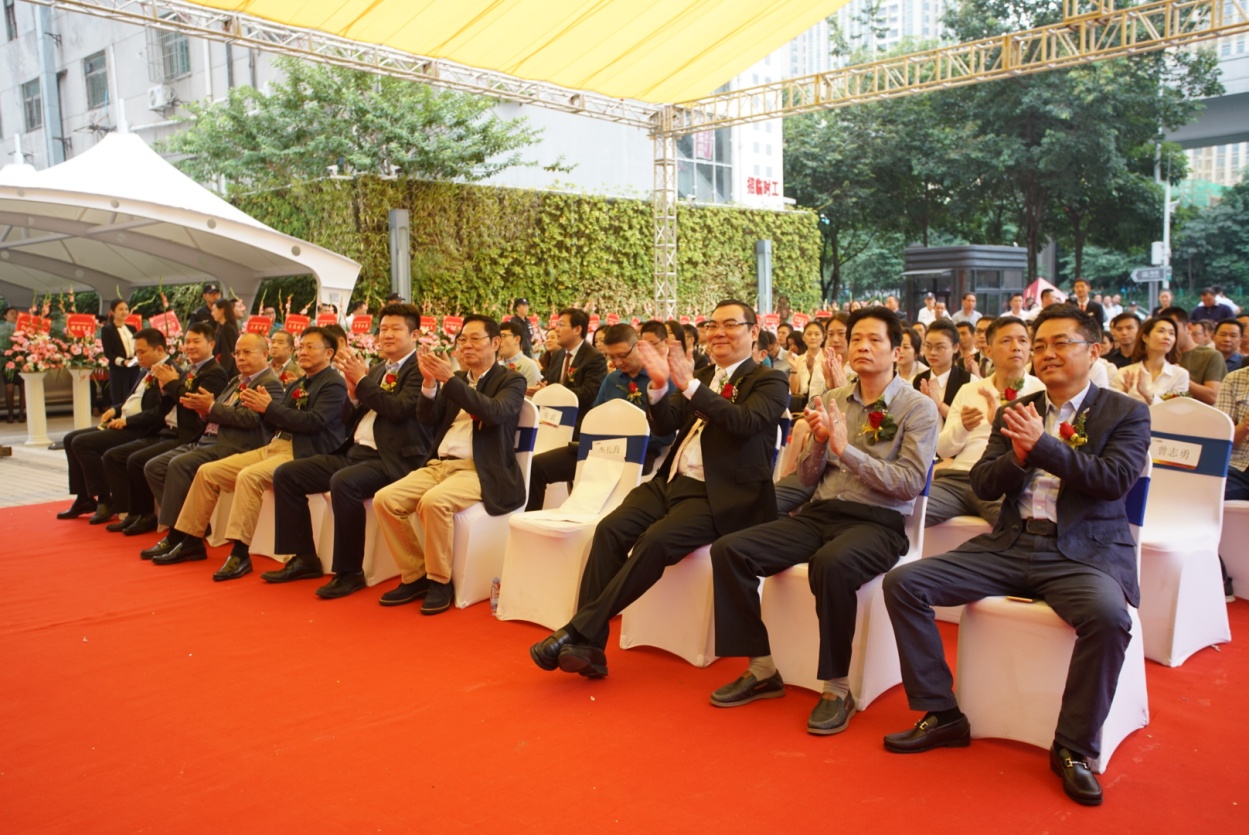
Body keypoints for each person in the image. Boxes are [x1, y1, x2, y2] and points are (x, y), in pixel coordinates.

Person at [882, 303, 1149, 807]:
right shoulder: (1015, 410)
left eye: (1061, 343)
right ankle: (942, 713)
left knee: (1109, 618)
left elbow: (1113, 481)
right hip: (1010, 542)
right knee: (905, 583)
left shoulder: (1125, 412)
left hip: (1082, 553)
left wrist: (1043, 447)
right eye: (1040, 344)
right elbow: (983, 483)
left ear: (1094, 350)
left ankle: (1073, 747)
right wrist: (1019, 457)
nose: (1047, 353)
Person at [707, 306, 938, 734]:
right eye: (856, 339)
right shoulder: (833, 399)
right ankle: (761, 666)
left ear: (896, 351)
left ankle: (836, 687)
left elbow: (908, 483)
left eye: (874, 340)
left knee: (832, 563)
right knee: (730, 550)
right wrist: (817, 445)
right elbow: (809, 478)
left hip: (878, 523)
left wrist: (847, 451)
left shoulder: (918, 408)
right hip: (821, 512)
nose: (862, 347)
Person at [529, 300, 789, 679]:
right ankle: (589, 646)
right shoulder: (702, 374)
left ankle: (576, 631)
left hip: (718, 494)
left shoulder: (770, 380)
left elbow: (745, 422)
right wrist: (658, 388)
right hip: (669, 481)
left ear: (753, 332)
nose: (718, 332)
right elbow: (667, 425)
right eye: (713, 325)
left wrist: (691, 386)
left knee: (655, 541)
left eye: (730, 324)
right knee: (610, 530)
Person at [266, 304, 433, 595]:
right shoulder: (378, 369)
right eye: (383, 329)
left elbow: (399, 409)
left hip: (391, 458)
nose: (387, 335)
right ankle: (304, 557)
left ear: (415, 335)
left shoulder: (421, 369)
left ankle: (349, 571)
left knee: (343, 483)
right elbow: (348, 419)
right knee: (287, 474)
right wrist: (354, 396)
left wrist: (363, 382)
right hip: (355, 452)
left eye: (395, 329)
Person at [150, 327, 347, 566]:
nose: (303, 352)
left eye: (310, 347)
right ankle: (190, 539)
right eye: (301, 347)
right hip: (274, 446)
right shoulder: (300, 383)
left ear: (329, 353)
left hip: (301, 450)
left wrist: (268, 408)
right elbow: (276, 421)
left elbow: (314, 422)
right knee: (207, 472)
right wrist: (259, 409)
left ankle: (240, 553)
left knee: (248, 476)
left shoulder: (333, 383)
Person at [371, 315, 527, 614]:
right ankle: (415, 575)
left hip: (479, 468)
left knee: (434, 502)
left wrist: (450, 381)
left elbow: (494, 412)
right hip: (438, 466)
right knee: (385, 499)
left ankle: (440, 581)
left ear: (495, 342)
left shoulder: (511, 380)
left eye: (475, 339)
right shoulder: (457, 380)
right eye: (462, 340)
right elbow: (428, 418)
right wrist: (430, 384)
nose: (466, 345)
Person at [139, 333, 287, 562]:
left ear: (265, 354)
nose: (241, 358)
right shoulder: (236, 380)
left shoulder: (270, 384)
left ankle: (180, 536)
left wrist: (211, 407)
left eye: (247, 352)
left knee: (179, 465)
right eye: (237, 353)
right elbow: (215, 411)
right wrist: (203, 411)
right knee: (154, 467)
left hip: (233, 445)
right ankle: (191, 529)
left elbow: (251, 420)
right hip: (206, 439)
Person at [525, 324, 675, 510]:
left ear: (638, 346)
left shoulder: (661, 381)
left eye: (623, 355)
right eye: (611, 357)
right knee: (537, 466)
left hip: (637, 454)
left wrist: (624, 443)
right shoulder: (612, 380)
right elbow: (595, 418)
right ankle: (531, 521)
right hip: (598, 449)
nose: (618, 362)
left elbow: (665, 435)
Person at [100, 322, 228, 536]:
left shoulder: (215, 373)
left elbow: (192, 403)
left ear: (211, 344)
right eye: (187, 341)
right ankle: (136, 513)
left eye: (196, 341)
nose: (190, 346)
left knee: (142, 461)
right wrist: (164, 389)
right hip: (166, 429)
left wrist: (171, 384)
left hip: (188, 434)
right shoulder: (189, 370)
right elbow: (168, 405)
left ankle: (176, 524)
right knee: (121, 456)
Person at [928, 316, 1043, 528]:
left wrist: (1000, 422)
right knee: (907, 512)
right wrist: (963, 428)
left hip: (1003, 483)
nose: (1016, 347)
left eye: (1023, 340)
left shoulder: (1041, 392)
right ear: (988, 351)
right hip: (957, 479)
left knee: (1014, 528)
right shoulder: (970, 390)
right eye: (1007, 340)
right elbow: (942, 450)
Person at [56, 328, 175, 525]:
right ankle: (84, 498)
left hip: (141, 428)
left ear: (160, 350)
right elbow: (133, 400)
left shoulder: (169, 372)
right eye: (136, 352)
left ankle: (105, 498)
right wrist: (116, 410)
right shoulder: (146, 371)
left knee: (82, 443)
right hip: (125, 421)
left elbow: (158, 413)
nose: (138, 357)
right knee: (69, 439)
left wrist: (127, 421)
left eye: (142, 352)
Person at [535, 308, 608, 433]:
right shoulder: (558, 354)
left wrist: (554, 393)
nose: (556, 329)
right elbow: (549, 381)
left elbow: (589, 393)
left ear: (577, 329)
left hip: (578, 423)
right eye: (557, 325)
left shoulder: (594, 357)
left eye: (561, 325)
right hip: (551, 420)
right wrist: (540, 388)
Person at [1158, 306, 1225, 406]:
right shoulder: (1160, 356)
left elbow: (1212, 397)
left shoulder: (1211, 355)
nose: (1168, 336)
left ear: (1189, 328)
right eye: (1162, 331)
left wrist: (1180, 377)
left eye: (1173, 331)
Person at [1116, 316, 1190, 404]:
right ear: (1145, 338)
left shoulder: (1179, 374)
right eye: (1161, 331)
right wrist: (1125, 394)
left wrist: (1147, 394)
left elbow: (1175, 408)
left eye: (1171, 333)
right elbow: (1114, 407)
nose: (1167, 337)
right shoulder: (1125, 372)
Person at [913, 319, 975, 423]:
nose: (932, 352)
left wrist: (940, 405)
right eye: (928, 346)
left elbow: (970, 423)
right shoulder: (917, 380)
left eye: (940, 347)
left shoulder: (969, 381)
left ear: (955, 348)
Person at [100, 299, 141, 410]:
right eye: (121, 309)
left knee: (134, 397)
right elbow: (108, 353)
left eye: (126, 309)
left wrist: (138, 358)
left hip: (134, 368)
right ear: (113, 312)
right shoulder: (107, 330)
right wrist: (123, 362)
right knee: (120, 399)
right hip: (119, 370)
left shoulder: (132, 328)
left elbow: (138, 346)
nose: (124, 312)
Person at [498, 320, 542, 387]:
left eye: (503, 336)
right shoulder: (497, 365)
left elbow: (531, 393)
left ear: (517, 339)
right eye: (498, 337)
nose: (498, 341)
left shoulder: (529, 366)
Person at [211, 298, 240, 379]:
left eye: (214, 310)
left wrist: (221, 373)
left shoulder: (228, 329)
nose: (212, 313)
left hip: (228, 373)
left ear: (222, 310)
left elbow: (227, 354)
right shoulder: (220, 327)